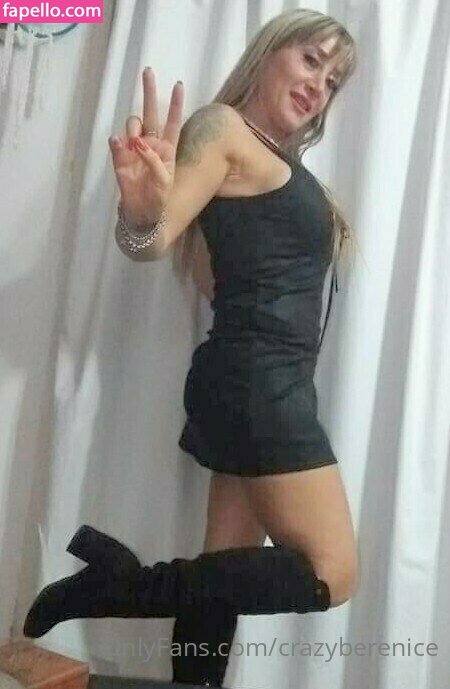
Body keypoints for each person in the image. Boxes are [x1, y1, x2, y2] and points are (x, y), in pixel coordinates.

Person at [23, 8, 360, 688]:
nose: (318, 84)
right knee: (334, 573)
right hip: (260, 385)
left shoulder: (271, 158)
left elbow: (216, 276)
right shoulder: (223, 128)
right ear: (268, 53)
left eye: (332, 80)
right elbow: (151, 240)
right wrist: (141, 213)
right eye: (310, 59)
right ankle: (120, 584)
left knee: (224, 566)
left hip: (254, 382)